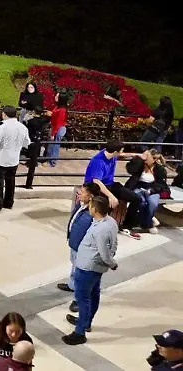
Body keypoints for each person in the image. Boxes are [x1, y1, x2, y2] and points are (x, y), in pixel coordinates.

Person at [63, 194, 119, 345]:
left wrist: (111, 263)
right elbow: (113, 244)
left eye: (90, 206)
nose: (88, 207)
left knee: (83, 299)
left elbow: (104, 252)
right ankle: (85, 321)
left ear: (94, 209)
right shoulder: (111, 222)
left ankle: (80, 332)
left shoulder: (99, 229)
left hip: (87, 268)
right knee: (93, 294)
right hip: (95, 268)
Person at [84, 139, 144, 234]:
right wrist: (111, 196)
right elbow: (97, 181)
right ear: (115, 152)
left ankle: (126, 225)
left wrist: (137, 155)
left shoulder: (111, 154)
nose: (121, 152)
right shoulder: (98, 162)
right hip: (95, 186)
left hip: (110, 184)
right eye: (121, 150)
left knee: (136, 199)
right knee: (109, 202)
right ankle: (97, 226)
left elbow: (122, 155)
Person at [0, 107, 29, 211]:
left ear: (4, 115)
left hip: (0, 159)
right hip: (14, 159)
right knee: (10, 181)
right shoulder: (22, 128)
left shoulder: (1, 128)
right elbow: (26, 143)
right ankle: (8, 202)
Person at [127, 148, 169, 233]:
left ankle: (147, 223)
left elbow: (161, 185)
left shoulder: (159, 169)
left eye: (148, 158)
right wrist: (139, 158)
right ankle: (146, 223)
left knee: (152, 204)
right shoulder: (140, 164)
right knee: (141, 202)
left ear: (154, 159)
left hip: (153, 189)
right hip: (138, 187)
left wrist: (151, 190)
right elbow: (130, 169)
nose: (146, 160)